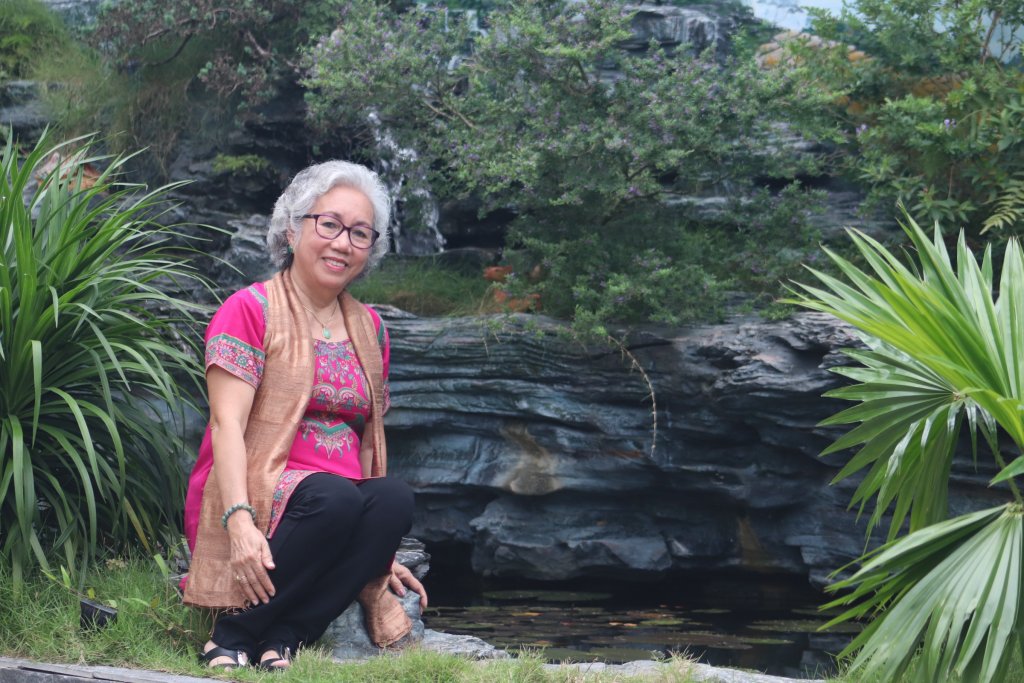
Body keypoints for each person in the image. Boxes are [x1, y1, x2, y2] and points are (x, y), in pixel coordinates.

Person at [182, 161, 427, 671]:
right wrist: (240, 521)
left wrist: (376, 553)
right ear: (294, 229)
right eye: (330, 224)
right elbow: (226, 426)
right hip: (258, 491)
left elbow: (368, 439)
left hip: (335, 503)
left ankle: (287, 634)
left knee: (394, 499)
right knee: (333, 497)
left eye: (360, 233)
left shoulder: (371, 328)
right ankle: (231, 634)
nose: (343, 243)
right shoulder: (249, 309)